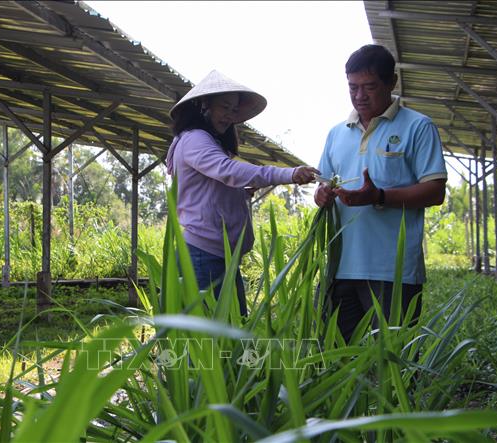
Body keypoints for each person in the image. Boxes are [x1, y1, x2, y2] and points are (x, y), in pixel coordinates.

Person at [314, 44, 447, 341]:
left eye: (369, 87)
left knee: (393, 360)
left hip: (392, 270)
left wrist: (379, 197)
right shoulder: (337, 133)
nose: (359, 96)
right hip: (340, 267)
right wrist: (322, 195)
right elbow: (324, 184)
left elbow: (435, 191)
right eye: (353, 87)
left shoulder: (418, 127)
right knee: (339, 359)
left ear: (392, 83)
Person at [166, 70, 317, 316]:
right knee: (210, 341)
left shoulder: (208, 141)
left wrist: (241, 194)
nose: (230, 115)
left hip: (221, 256)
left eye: (234, 110)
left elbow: (212, 189)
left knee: (229, 336)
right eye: (224, 107)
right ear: (204, 105)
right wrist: (288, 174)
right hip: (204, 257)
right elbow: (229, 172)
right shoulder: (195, 139)